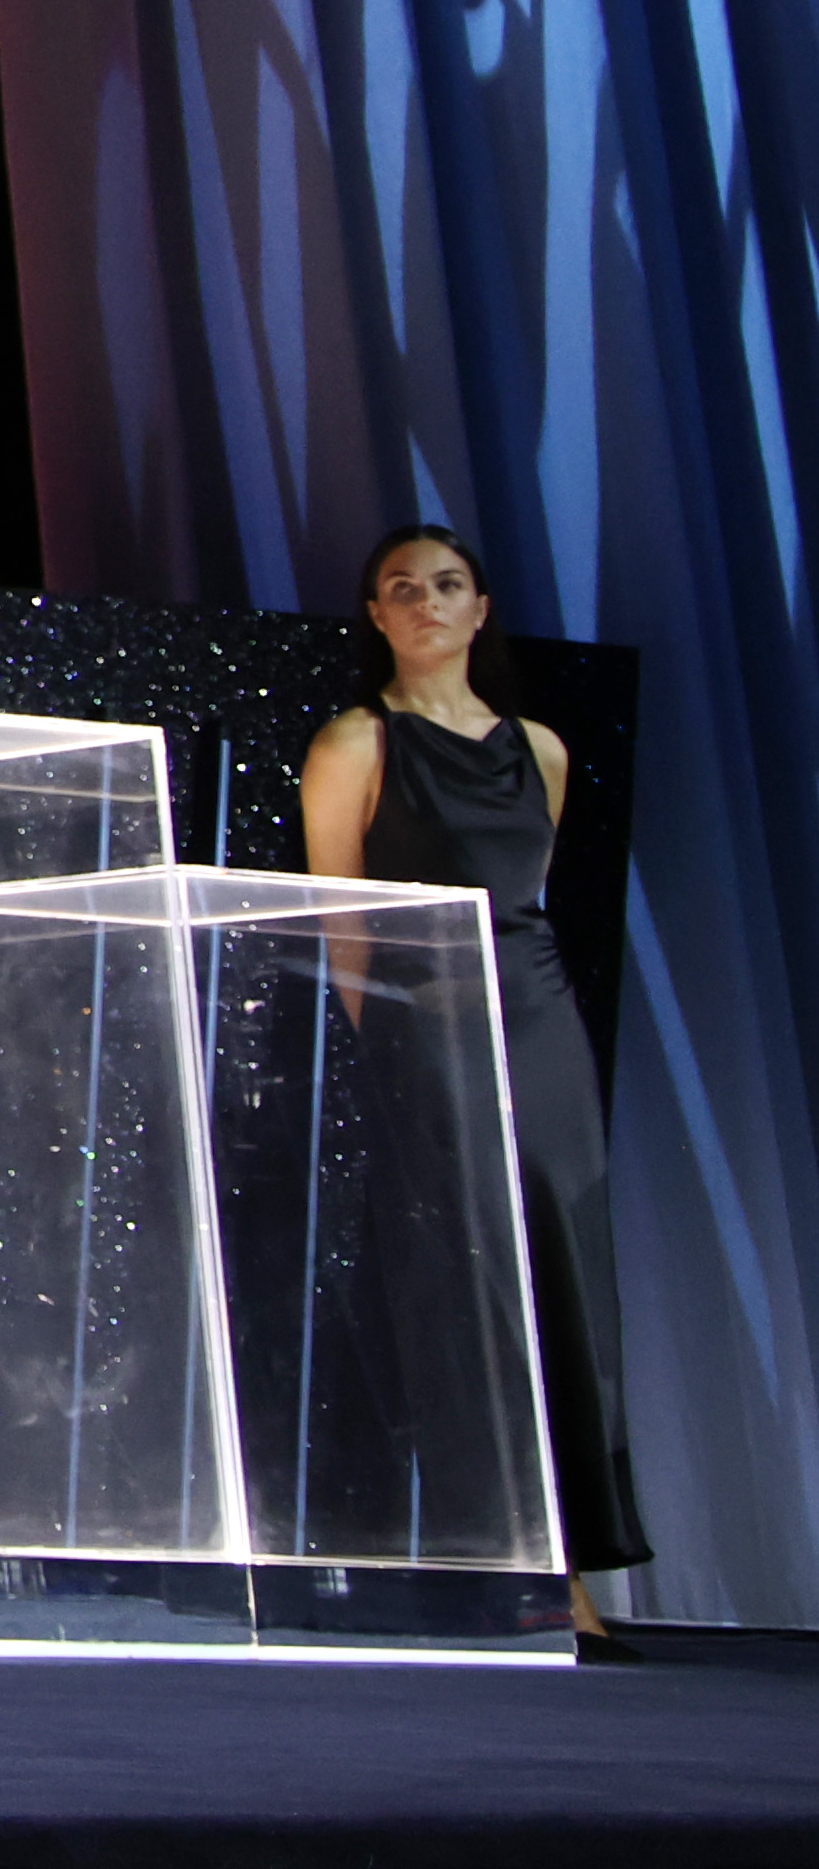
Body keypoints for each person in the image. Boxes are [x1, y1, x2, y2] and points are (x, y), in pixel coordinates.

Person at [297, 524, 649, 1641]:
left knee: (567, 1269)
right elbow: (341, 921)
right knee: (471, 1276)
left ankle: (582, 1564)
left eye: (447, 584)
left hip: (538, 1013)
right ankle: (511, 1561)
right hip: (425, 1021)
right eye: (402, 587)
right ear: (377, 615)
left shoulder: (535, 748)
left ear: (481, 607)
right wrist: (391, 1042)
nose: (427, 602)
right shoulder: (356, 740)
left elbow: (529, 894)